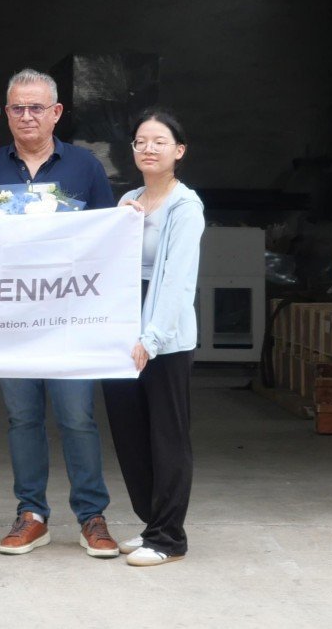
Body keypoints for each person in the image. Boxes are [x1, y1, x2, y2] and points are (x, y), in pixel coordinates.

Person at [0, 68, 119, 558]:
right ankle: (31, 515)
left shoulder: (85, 167)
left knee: (77, 417)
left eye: (36, 107)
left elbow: (108, 240)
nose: (26, 116)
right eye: (17, 108)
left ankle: (91, 516)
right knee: (22, 418)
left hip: (70, 318)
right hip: (10, 319)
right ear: (6, 113)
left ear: (56, 113)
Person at [103, 107, 204, 567]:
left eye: (159, 142)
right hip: (123, 331)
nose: (148, 148)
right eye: (141, 141)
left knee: (167, 436)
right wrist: (118, 221)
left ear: (178, 151)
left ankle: (169, 537)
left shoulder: (185, 207)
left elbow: (177, 280)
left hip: (163, 335)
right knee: (130, 434)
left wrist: (153, 338)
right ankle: (151, 524)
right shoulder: (130, 199)